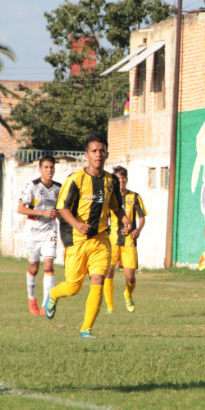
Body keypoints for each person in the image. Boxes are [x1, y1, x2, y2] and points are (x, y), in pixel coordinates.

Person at [45, 134, 131, 339]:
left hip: (101, 238)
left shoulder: (111, 181)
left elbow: (117, 208)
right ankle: (54, 294)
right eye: (94, 151)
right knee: (74, 286)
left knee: (98, 278)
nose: (98, 154)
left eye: (102, 150)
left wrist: (125, 221)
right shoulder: (75, 180)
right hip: (76, 239)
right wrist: (76, 224)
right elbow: (62, 207)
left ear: (107, 154)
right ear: (86, 155)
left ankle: (86, 329)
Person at [16, 156, 61, 316]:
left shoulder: (58, 188)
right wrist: (42, 212)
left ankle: (46, 304)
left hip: (49, 230)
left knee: (48, 265)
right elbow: (21, 209)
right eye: (46, 167)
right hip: (33, 232)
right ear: (40, 169)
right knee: (34, 267)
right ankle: (31, 298)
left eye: (52, 167)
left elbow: (62, 209)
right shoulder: (32, 186)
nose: (49, 170)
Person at [103, 166, 147, 313]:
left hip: (129, 241)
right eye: (118, 178)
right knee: (108, 271)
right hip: (112, 240)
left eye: (123, 178)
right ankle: (110, 306)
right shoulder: (108, 198)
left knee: (130, 276)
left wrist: (138, 230)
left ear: (126, 179)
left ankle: (128, 295)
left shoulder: (134, 197)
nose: (121, 181)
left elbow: (142, 218)